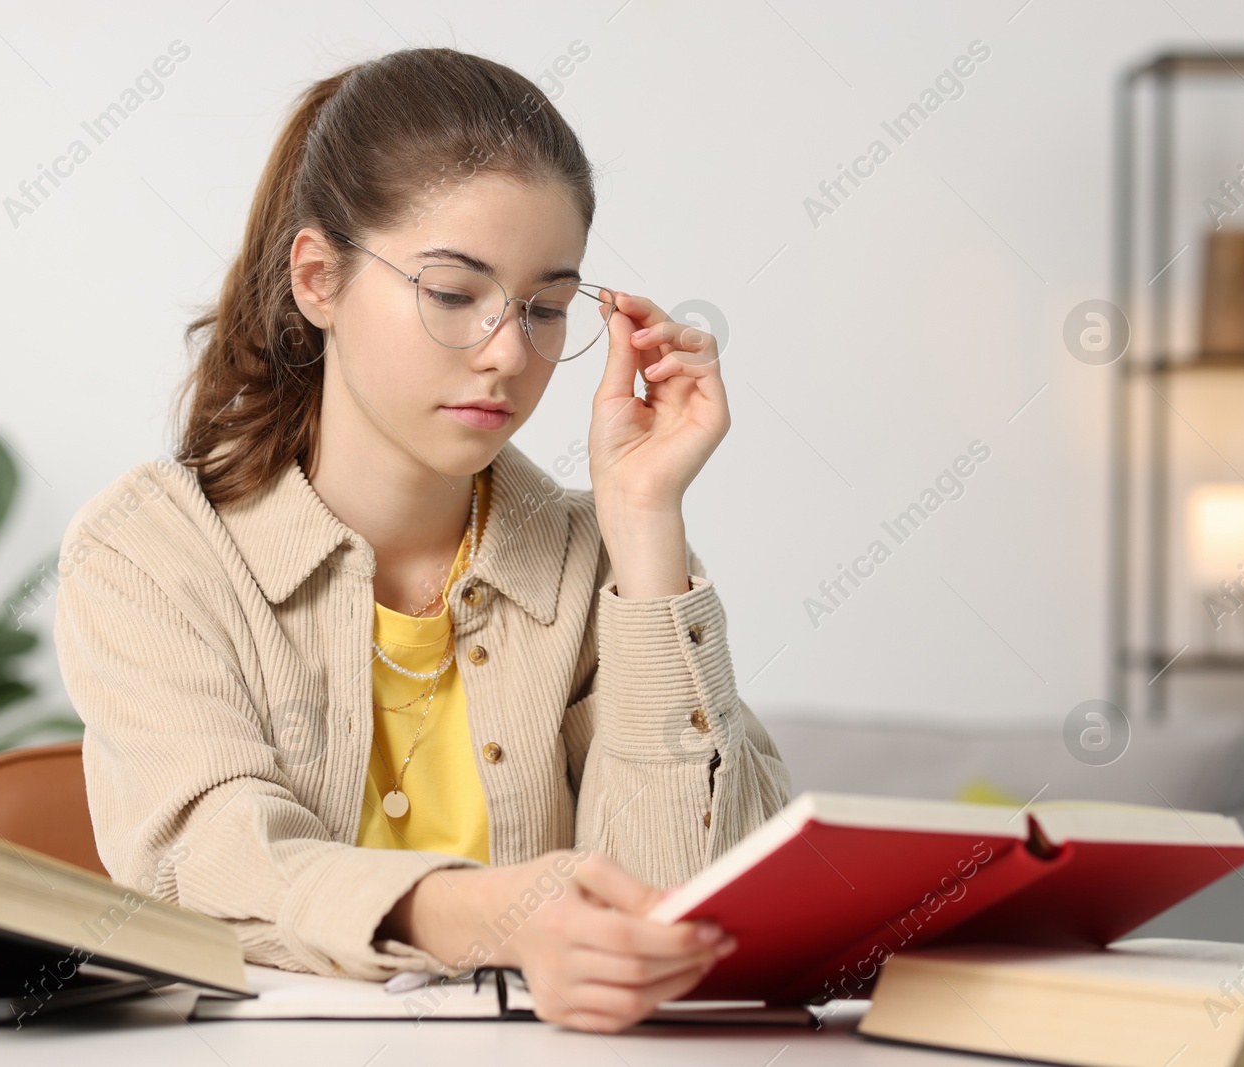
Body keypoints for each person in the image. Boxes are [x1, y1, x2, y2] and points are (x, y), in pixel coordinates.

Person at [52, 46, 791, 1034]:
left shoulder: (601, 561)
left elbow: (678, 916)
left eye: (546, 308)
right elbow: (216, 862)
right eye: (454, 294)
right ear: (318, 278)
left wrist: (648, 522)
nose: (507, 353)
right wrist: (497, 914)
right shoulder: (151, 552)